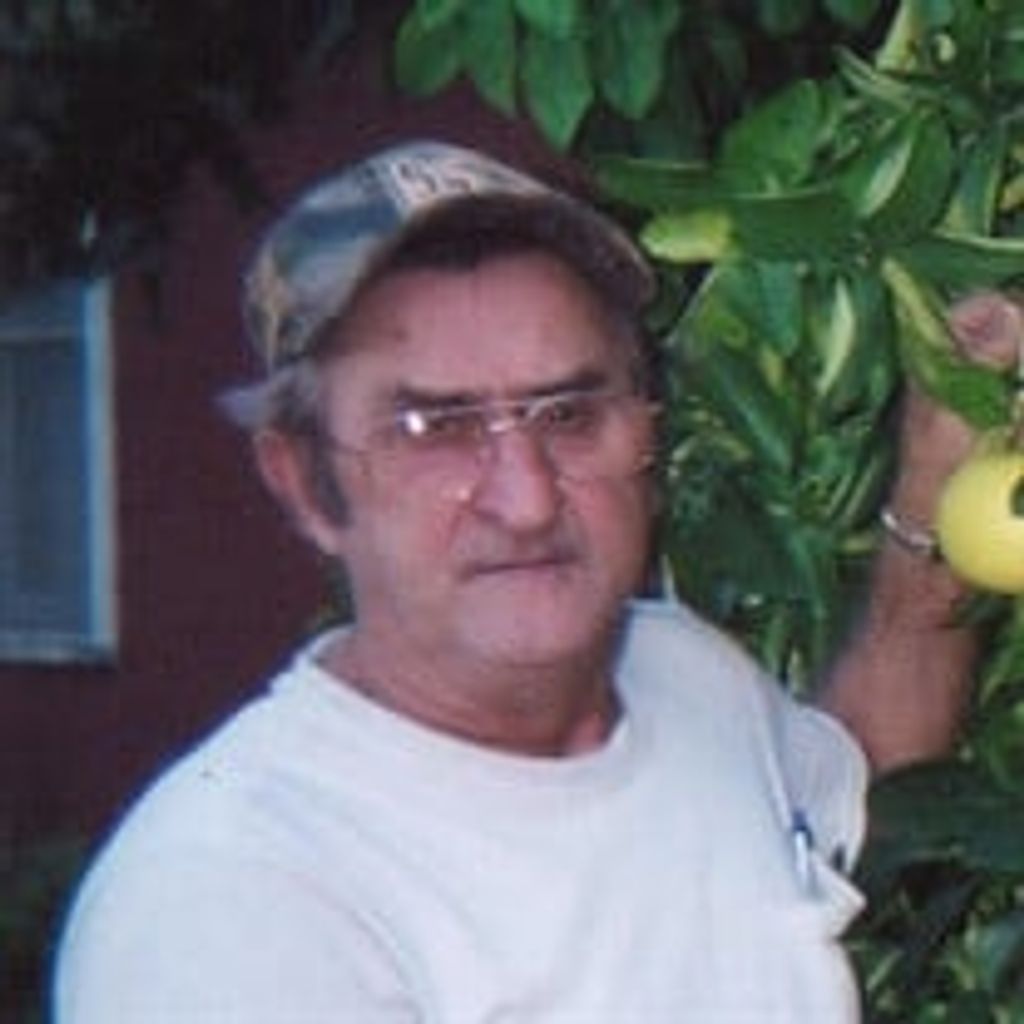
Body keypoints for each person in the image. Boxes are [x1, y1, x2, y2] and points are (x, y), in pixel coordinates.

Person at [53, 140, 1016, 1022]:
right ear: (306, 481)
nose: (525, 499)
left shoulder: (680, 676)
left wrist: (941, 473)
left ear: (646, 431)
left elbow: (871, 771)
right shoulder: (231, 904)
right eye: (434, 428)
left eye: (568, 413)